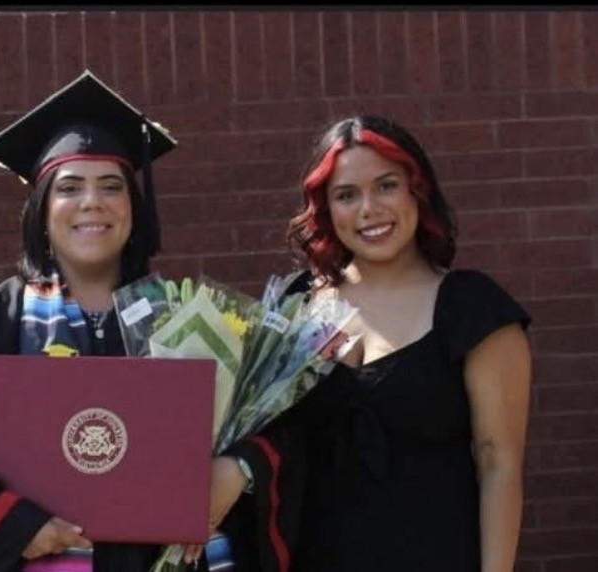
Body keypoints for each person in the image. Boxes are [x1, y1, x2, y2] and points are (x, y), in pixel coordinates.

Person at [206, 114, 532, 572]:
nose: (368, 209)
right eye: (346, 195)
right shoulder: (294, 306)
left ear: (418, 191)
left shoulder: (472, 308)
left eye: (386, 186)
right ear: (326, 208)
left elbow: (498, 462)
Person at [0, 70, 185, 572]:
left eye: (111, 185)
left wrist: (234, 469)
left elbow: (256, 428)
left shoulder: (179, 317)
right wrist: (12, 523)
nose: (92, 202)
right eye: (70, 187)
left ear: (134, 205)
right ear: (42, 209)